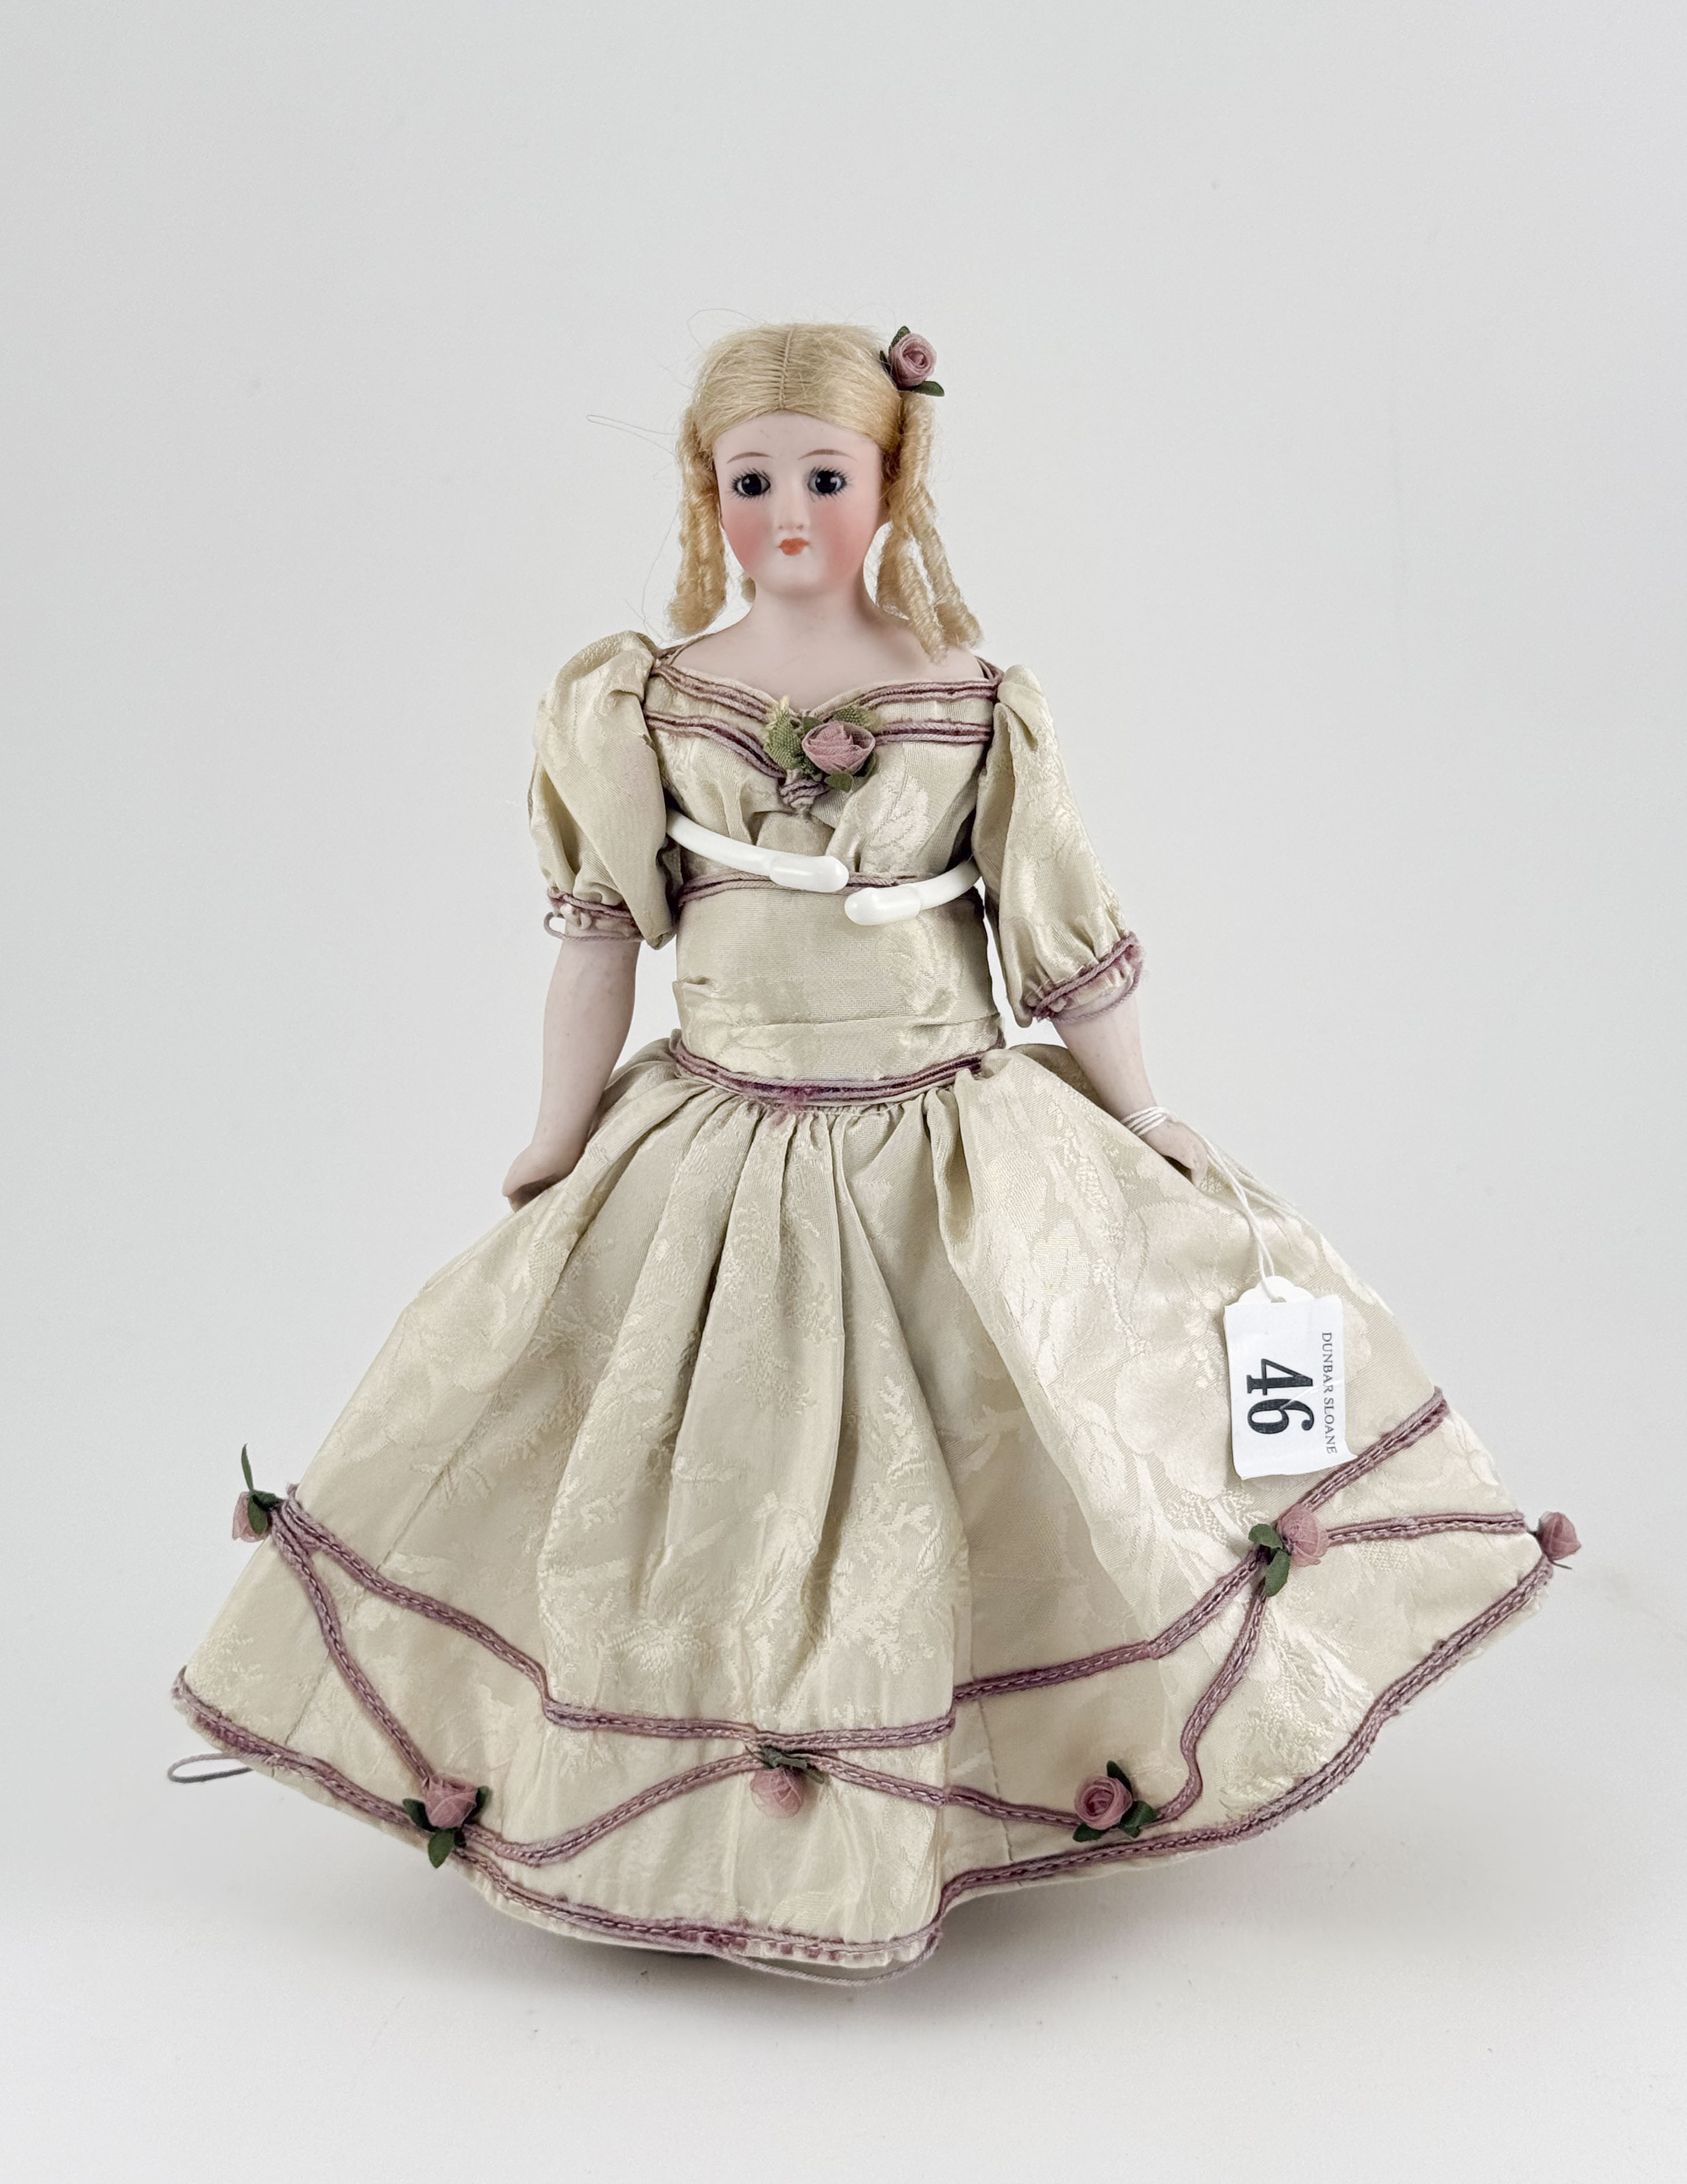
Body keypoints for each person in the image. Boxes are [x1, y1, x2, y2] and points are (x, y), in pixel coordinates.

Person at [175, 320, 1575, 1980]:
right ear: (706, 491)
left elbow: (1061, 936)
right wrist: (554, 1137)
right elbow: (601, 938)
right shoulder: (644, 701)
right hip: (719, 1129)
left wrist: (1144, 1117)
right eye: (752, 479)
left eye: (825, 478)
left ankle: (968, 1782)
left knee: (1019, 1428)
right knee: (687, 1467)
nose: (788, 513)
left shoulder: (972, 703)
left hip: (948, 1137)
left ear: (890, 481)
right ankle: (692, 1796)